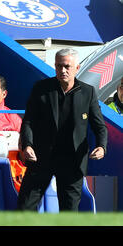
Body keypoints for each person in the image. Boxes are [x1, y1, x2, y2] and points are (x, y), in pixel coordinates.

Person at [18, 48, 108, 211]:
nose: (62, 70)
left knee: (69, 213)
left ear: (77, 68)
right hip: (41, 157)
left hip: (72, 161)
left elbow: (99, 126)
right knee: (24, 207)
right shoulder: (41, 88)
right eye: (59, 66)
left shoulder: (88, 92)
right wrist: (28, 145)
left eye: (67, 66)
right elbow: (28, 121)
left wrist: (101, 146)